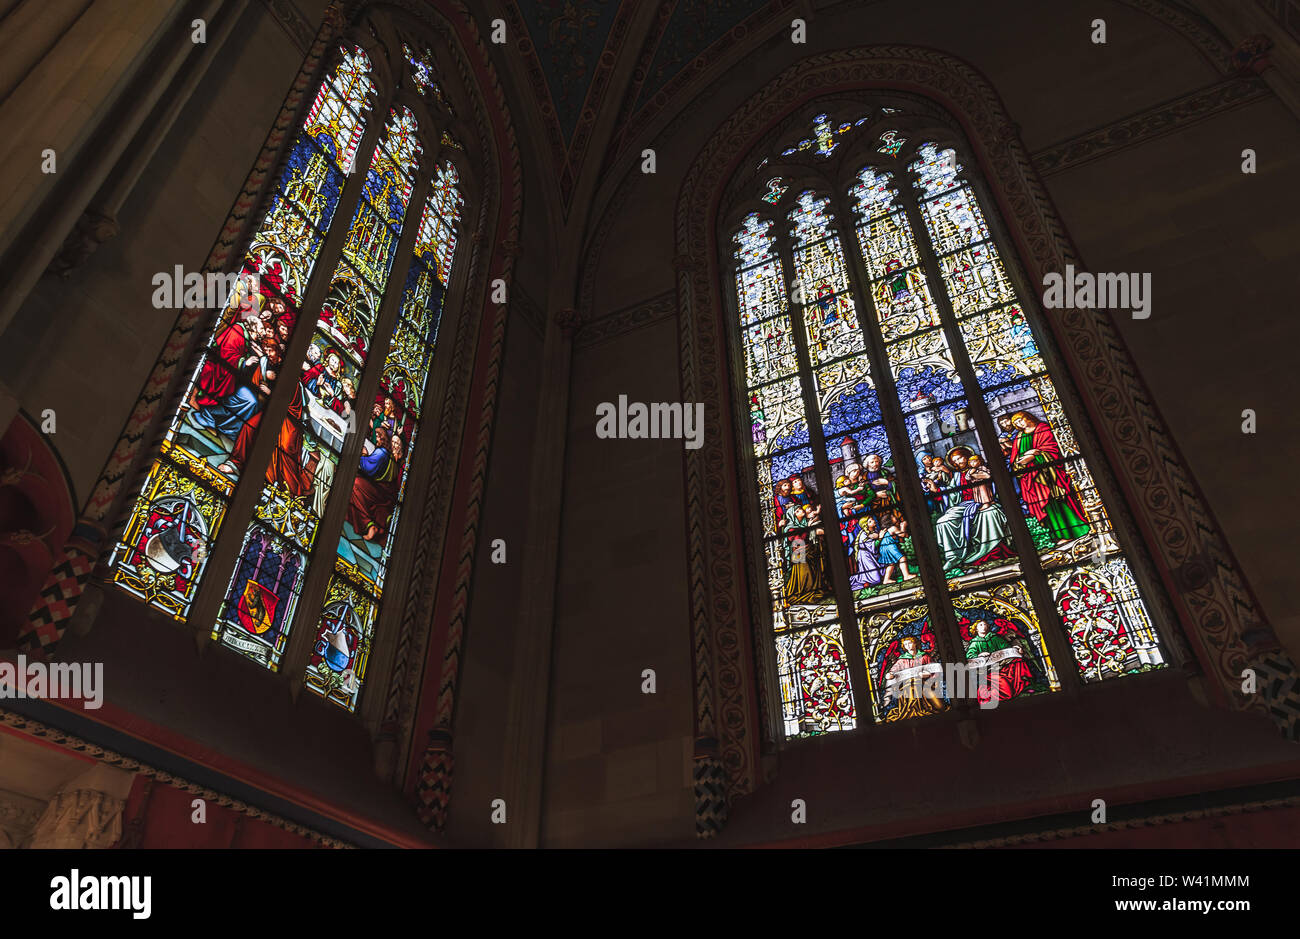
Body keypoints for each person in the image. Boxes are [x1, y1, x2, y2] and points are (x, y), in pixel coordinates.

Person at [1008, 410, 1089, 544]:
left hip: (1050, 476)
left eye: (1020, 419)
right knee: (1046, 506)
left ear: (1028, 417)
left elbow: (1053, 450)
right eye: (1016, 423)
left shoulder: (1043, 429)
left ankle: (1078, 530)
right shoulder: (1019, 437)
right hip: (1032, 479)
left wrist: (1035, 455)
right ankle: (1058, 536)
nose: (1019, 424)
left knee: (1058, 502)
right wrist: (1020, 462)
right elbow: (1014, 459)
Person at [933, 446, 1014, 571]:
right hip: (963, 505)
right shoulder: (956, 477)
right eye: (954, 461)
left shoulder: (982, 469)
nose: (957, 462)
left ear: (967, 456)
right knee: (943, 521)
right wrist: (937, 490)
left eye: (959, 458)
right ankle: (953, 557)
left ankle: (991, 552)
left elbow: (993, 483)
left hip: (984, 501)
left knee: (990, 513)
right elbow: (951, 494)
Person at [347, 427, 405, 542]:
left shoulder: (384, 454)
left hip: (381, 493)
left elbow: (368, 468)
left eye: (397, 443)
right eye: (392, 442)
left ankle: (368, 525)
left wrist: (363, 455)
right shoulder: (389, 457)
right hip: (384, 493)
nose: (394, 445)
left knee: (355, 483)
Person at [881, 633, 946, 722]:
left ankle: (925, 709)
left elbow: (934, 670)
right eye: (905, 644)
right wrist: (890, 674)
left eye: (910, 643)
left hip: (925, 685)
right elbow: (893, 670)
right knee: (912, 687)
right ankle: (912, 711)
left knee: (939, 707)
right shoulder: (902, 660)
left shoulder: (924, 657)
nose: (908, 646)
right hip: (907, 687)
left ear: (915, 643)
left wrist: (927, 674)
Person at [877, 509, 914, 584]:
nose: (895, 517)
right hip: (890, 546)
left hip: (883, 548)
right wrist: (903, 526)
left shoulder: (886, 530)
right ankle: (906, 575)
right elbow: (902, 535)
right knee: (902, 558)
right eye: (893, 516)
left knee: (891, 564)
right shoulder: (893, 528)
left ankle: (886, 579)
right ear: (889, 520)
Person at [847, 516, 884, 590]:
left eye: (872, 519)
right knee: (877, 579)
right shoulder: (863, 535)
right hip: (865, 557)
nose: (873, 521)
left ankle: (866, 581)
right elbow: (872, 546)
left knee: (882, 571)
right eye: (870, 521)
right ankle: (859, 581)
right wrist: (880, 538)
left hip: (869, 555)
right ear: (866, 525)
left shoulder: (872, 532)